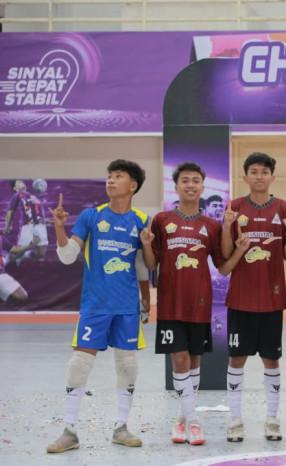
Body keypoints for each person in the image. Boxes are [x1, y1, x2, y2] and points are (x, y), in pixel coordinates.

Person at [139, 162, 250, 445]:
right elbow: (151, 264)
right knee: (179, 359)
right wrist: (146, 244)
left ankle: (181, 419)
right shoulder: (161, 220)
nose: (190, 185)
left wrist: (240, 251)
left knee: (194, 362)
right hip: (170, 303)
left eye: (195, 181)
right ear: (176, 186)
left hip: (200, 303)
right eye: (185, 180)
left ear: (202, 187)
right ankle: (195, 422)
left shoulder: (211, 225)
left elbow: (223, 268)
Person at [47, 160, 151, 453]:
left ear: (132, 186)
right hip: (95, 305)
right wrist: (59, 229)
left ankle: (121, 427)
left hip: (127, 307)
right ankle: (69, 431)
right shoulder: (91, 216)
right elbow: (68, 256)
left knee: (127, 365)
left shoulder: (142, 220)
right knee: (79, 363)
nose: (110, 180)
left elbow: (142, 266)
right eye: (109, 176)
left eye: (118, 176)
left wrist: (146, 299)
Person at [220, 152, 286, 442]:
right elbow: (226, 253)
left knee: (271, 360)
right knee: (236, 359)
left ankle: (272, 419)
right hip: (240, 298)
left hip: (271, 299)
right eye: (253, 171)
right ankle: (235, 420)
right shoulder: (234, 207)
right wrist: (226, 227)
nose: (259, 176)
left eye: (264, 172)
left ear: (272, 177)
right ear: (245, 176)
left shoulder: (285, 208)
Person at [4, 179, 48, 265]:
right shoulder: (17, 196)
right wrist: (7, 226)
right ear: (14, 188)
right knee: (20, 251)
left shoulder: (33, 196)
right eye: (19, 183)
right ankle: (6, 260)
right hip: (28, 226)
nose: (22, 184)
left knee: (41, 254)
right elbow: (10, 212)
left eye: (22, 182)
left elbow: (40, 212)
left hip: (40, 225)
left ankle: (26, 255)